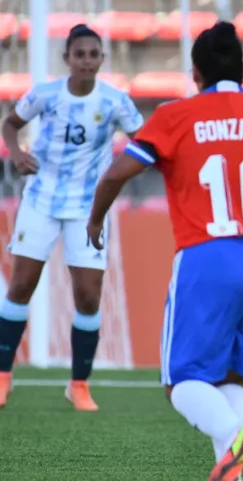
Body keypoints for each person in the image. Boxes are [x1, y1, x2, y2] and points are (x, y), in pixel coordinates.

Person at [87, 21, 243, 481]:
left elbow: (118, 173)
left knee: (180, 383)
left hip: (210, 256)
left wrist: (96, 218)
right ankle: (231, 471)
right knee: (228, 378)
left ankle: (237, 432)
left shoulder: (176, 115)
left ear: (195, 73)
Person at [0, 24, 144, 411]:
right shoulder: (46, 95)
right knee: (21, 286)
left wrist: (121, 173)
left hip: (88, 207)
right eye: (79, 54)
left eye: (93, 54)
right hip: (42, 199)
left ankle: (78, 384)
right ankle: (2, 374)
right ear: (67, 58)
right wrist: (15, 153)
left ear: (101, 59)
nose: (86, 61)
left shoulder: (116, 102)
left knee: (88, 295)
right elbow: (10, 124)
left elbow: (144, 144)